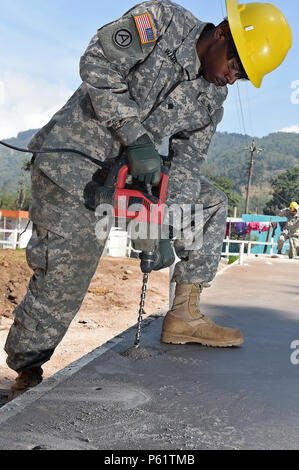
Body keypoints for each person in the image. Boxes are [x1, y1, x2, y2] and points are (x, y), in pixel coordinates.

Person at [5, 0, 292, 400]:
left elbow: (186, 170)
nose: (233, 76)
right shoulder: (161, 21)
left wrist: (161, 227)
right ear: (222, 33)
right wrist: (134, 134)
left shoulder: (211, 101)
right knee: (62, 283)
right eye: (235, 63)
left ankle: (184, 314)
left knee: (209, 204)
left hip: (128, 179)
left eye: (243, 76)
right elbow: (97, 61)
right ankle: (26, 373)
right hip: (73, 168)